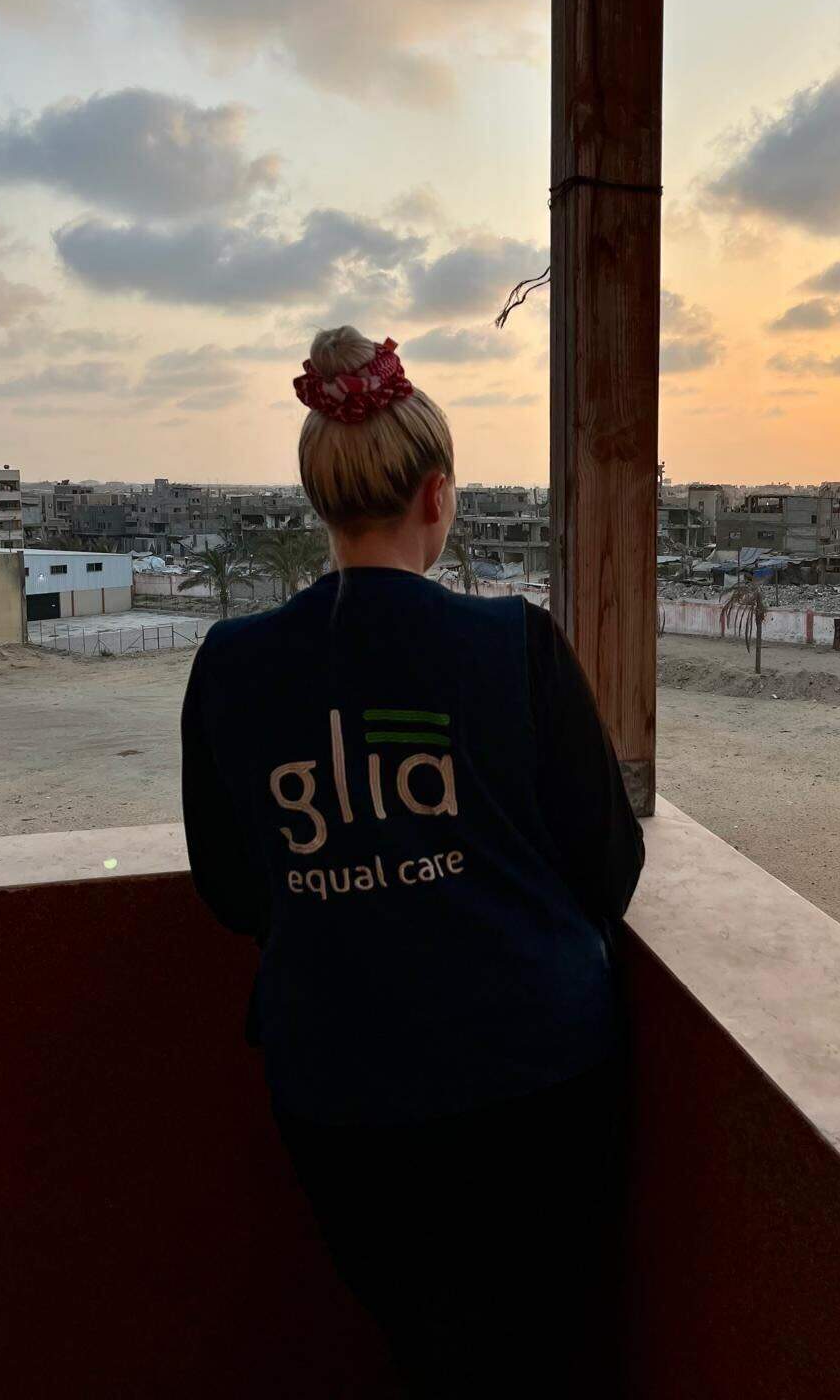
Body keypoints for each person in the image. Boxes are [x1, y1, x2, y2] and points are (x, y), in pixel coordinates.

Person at [181, 326, 645, 1398]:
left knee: (424, 1349)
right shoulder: (513, 644)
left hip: (340, 1095)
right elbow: (608, 867)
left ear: (321, 500)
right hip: (534, 1080)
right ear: (437, 496)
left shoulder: (232, 665)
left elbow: (231, 888)